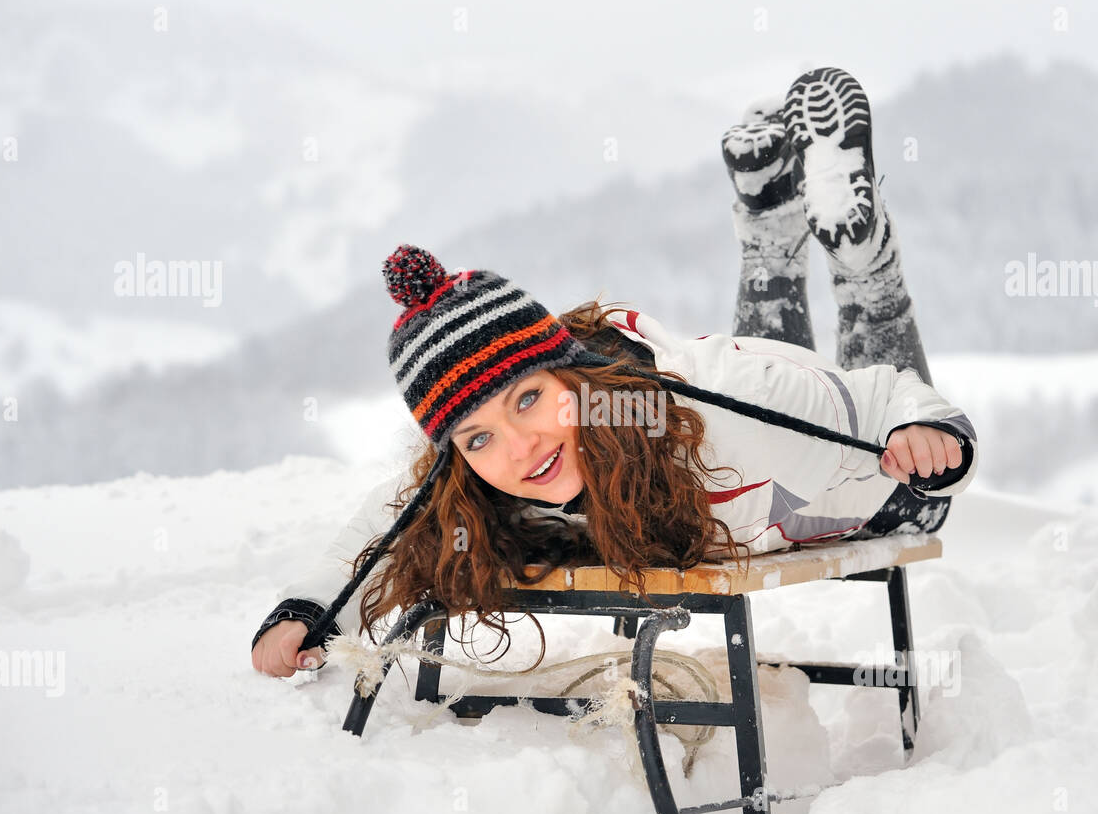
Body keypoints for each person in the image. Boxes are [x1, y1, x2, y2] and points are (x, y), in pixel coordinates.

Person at [251, 67, 979, 680]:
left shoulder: (737, 413)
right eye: (476, 438)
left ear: (575, 376)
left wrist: (928, 437)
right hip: (757, 456)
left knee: (847, 386)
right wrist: (307, 608)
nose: (519, 448)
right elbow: (390, 522)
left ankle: (861, 262)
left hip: (872, 489)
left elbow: (882, 395)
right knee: (765, 403)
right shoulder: (492, 477)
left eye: (528, 398)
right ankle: (770, 239)